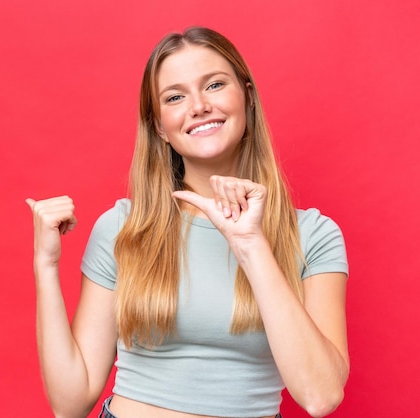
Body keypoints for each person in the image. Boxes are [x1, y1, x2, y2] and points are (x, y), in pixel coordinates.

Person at [26, 26, 349, 418]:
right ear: (160, 126)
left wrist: (251, 244)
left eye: (214, 85)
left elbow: (321, 396)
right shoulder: (123, 227)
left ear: (247, 97)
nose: (198, 106)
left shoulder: (314, 236)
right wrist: (45, 266)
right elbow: (70, 403)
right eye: (175, 97)